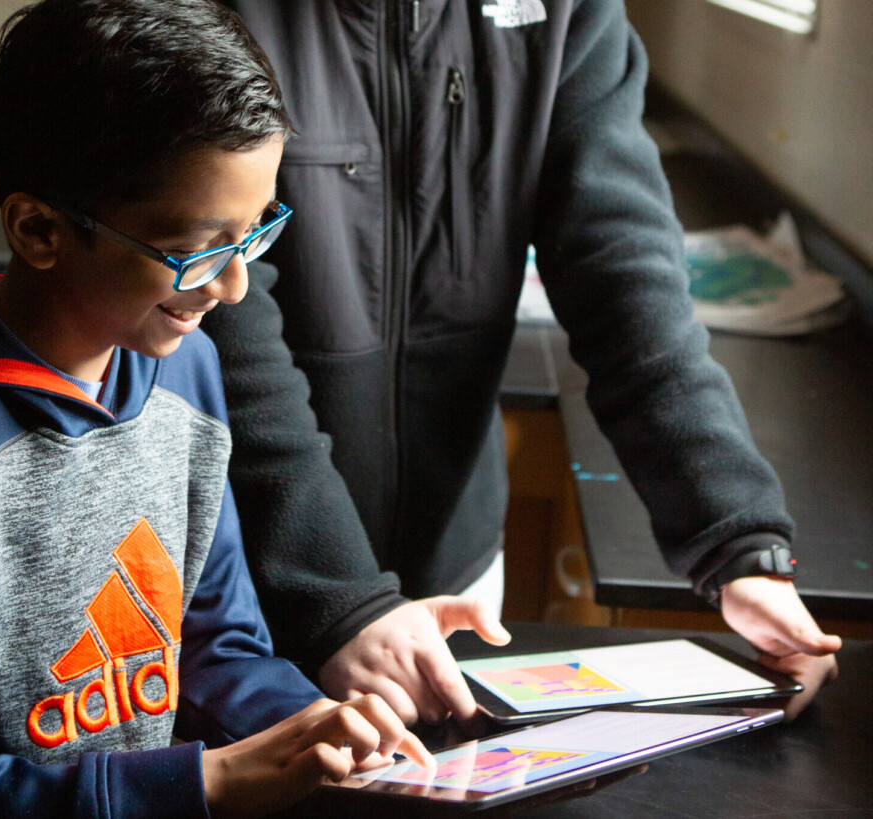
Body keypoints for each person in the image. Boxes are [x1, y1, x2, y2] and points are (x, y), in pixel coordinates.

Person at [0, 1, 433, 816]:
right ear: (39, 229)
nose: (233, 287)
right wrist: (208, 783)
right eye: (198, 249)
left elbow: (213, 640)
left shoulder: (186, 369)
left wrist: (307, 725)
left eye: (255, 232)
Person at [200, 0, 841, 725]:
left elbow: (624, 271)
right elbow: (220, 320)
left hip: (458, 567)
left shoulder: (565, 10)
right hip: (250, 575)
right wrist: (338, 594)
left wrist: (738, 539)